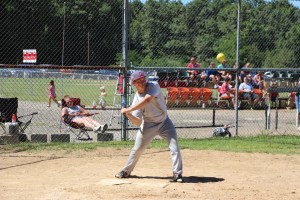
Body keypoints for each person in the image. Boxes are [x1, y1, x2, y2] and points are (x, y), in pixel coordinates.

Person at [115, 70, 183, 182]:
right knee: (137, 149)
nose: (142, 82)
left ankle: (178, 174)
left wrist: (129, 109)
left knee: (174, 147)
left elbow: (147, 100)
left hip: (164, 122)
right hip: (148, 125)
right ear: (134, 84)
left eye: (143, 79)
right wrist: (128, 114)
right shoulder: (136, 99)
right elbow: (138, 122)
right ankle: (126, 171)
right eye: (139, 81)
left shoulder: (153, 85)